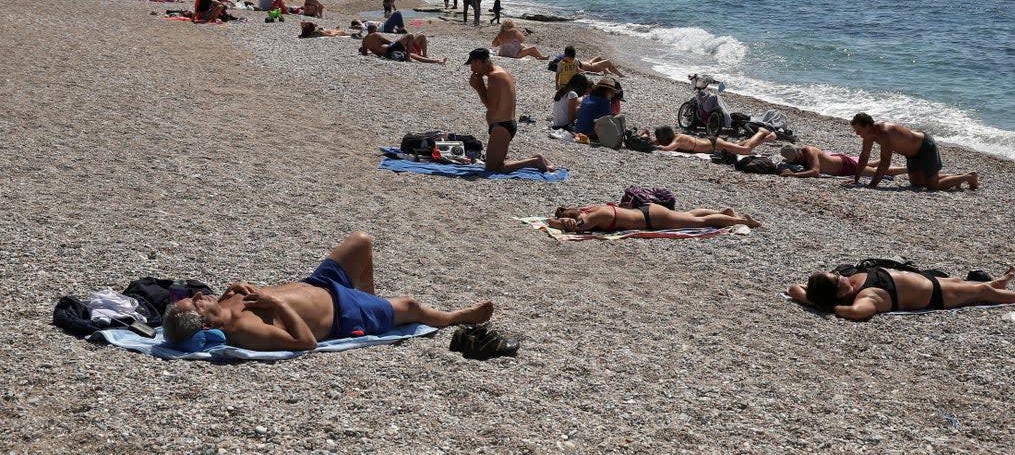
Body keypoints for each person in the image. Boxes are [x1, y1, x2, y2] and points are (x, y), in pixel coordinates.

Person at [160, 232, 494, 351]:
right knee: (411, 305)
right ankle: (455, 317)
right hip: (342, 314)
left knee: (361, 242)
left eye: (192, 297)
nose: (197, 295)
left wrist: (244, 288)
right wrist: (274, 300)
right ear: (205, 324)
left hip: (318, 284)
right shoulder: (244, 331)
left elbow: (251, 301)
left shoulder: (221, 302)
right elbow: (305, 342)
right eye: (194, 303)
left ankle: (373, 301)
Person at [787, 265, 1015, 322]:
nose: (844, 276)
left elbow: (793, 288)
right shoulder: (867, 298)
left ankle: (1000, 284)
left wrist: (813, 300)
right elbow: (858, 314)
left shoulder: (847, 287)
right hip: (937, 296)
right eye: (839, 279)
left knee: (958, 279)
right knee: (980, 291)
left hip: (933, 280)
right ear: (838, 294)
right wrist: (830, 309)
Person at [466, 48, 555, 173]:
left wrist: (479, 87)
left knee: (493, 168)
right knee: (495, 163)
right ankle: (535, 159)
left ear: (478, 62)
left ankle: (534, 161)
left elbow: (491, 106)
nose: (472, 69)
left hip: (502, 126)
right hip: (503, 124)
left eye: (472, 65)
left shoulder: (494, 77)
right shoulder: (499, 71)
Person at [849, 113, 978, 190]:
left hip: (925, 147)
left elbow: (885, 162)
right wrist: (856, 180)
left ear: (867, 126)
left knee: (932, 186)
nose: (857, 133)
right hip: (911, 154)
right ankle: (957, 177)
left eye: (858, 130)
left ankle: (969, 177)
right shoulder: (868, 135)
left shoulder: (884, 133)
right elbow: (864, 156)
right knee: (917, 183)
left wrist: (872, 185)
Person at [547, 203, 761, 233]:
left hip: (651, 219)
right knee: (686, 215)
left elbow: (575, 228)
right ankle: (725, 214)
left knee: (701, 223)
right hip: (648, 211)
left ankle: (743, 221)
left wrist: (555, 222)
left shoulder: (593, 216)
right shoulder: (594, 208)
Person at [777, 143, 908, 180]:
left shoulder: (810, 152)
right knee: (866, 164)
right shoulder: (799, 155)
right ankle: (883, 159)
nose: (798, 160)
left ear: (799, 151)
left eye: (798, 157)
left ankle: (908, 169)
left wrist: (794, 175)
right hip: (840, 161)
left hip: (844, 166)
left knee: (874, 172)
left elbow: (815, 172)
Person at [653, 125, 777, 155]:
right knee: (739, 145)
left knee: (746, 150)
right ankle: (761, 134)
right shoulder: (677, 137)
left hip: (714, 144)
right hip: (712, 142)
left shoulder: (678, 140)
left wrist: (652, 146)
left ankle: (764, 136)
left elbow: (667, 149)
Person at [359, 26, 445, 63]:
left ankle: (436, 61)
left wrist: (373, 52)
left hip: (387, 53)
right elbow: (389, 42)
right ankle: (409, 58)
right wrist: (400, 42)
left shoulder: (364, 40)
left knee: (415, 52)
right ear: (374, 29)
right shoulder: (375, 34)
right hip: (390, 49)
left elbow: (364, 53)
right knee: (410, 35)